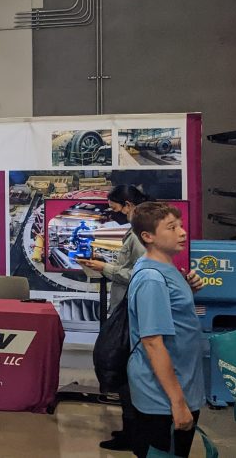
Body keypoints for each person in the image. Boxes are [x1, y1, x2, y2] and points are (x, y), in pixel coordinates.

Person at [126, 203, 205, 458]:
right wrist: (178, 402)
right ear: (148, 237)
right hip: (164, 399)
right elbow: (152, 343)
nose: (182, 232)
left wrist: (186, 291)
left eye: (180, 225)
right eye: (171, 228)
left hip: (181, 385)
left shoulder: (165, 268)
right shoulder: (152, 279)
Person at [76, 185, 149, 451]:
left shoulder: (139, 236)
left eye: (115, 208)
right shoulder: (135, 231)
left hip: (131, 314)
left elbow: (140, 274)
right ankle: (130, 429)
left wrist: (104, 267)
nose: (112, 212)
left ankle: (135, 433)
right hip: (125, 309)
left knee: (128, 375)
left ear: (128, 205)